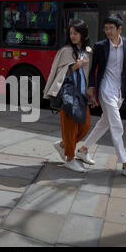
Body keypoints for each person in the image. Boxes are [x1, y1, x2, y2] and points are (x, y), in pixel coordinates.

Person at [76, 14, 126, 180]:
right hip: (106, 90)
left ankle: (83, 150)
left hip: (120, 90)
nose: (108, 31)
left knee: (104, 123)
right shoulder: (100, 46)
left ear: (119, 29)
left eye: (111, 28)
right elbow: (94, 68)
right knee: (117, 126)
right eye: (106, 28)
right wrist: (92, 87)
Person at [43, 19, 94, 173]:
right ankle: (70, 159)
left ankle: (63, 145)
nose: (73, 36)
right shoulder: (65, 51)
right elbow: (56, 73)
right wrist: (74, 66)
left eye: (76, 33)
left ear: (83, 34)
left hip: (81, 95)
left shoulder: (88, 52)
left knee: (85, 126)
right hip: (67, 95)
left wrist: (90, 94)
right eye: (71, 33)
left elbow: (87, 76)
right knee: (70, 128)